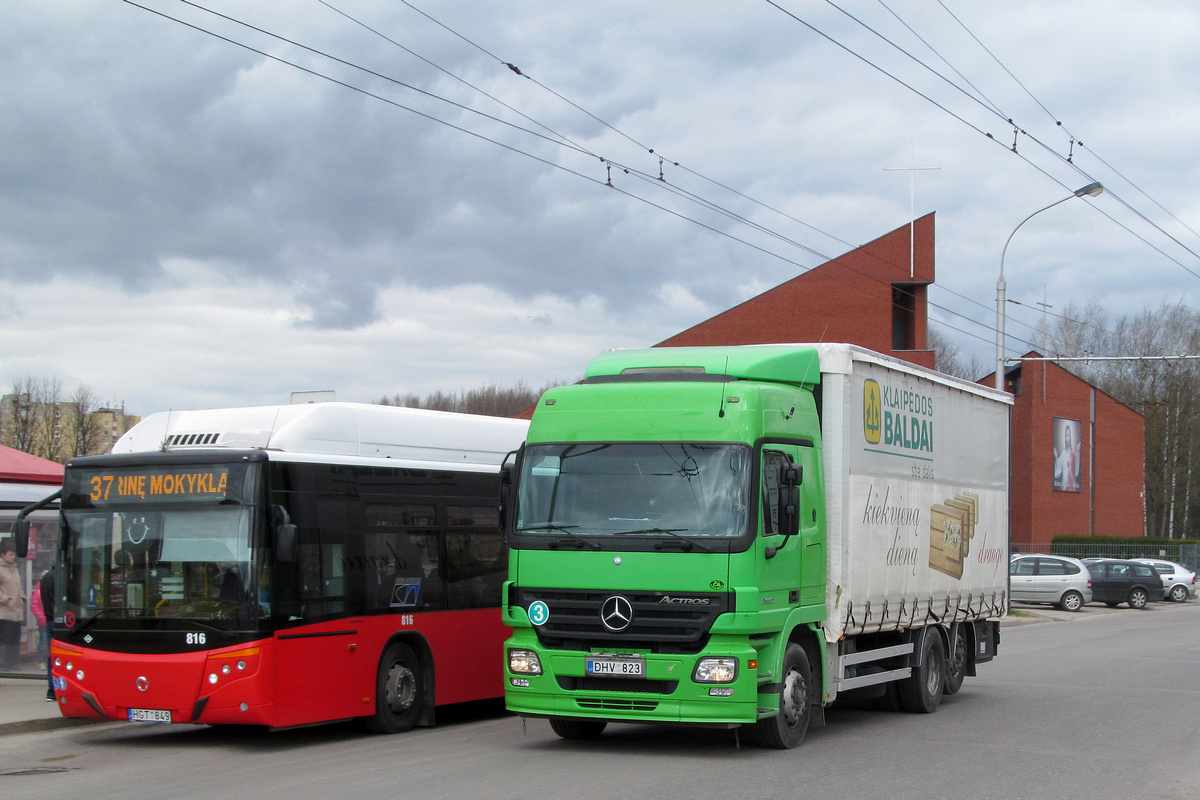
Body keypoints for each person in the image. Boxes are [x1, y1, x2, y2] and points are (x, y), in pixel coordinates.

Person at [0, 538, 25, 672]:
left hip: (17, 611)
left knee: (15, 639)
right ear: (3, 555)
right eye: (10, 554)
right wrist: (5, 599)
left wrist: (22, 598)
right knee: (5, 639)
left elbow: (18, 586)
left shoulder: (14, 569)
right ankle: (4, 664)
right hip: (4, 612)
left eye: (13, 554)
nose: (12, 557)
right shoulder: (1, 569)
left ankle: (14, 663)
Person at [38, 568, 55, 700]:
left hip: (49, 619)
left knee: (51, 657)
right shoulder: (61, 578)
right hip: (61, 621)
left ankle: (51, 691)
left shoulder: (45, 578)